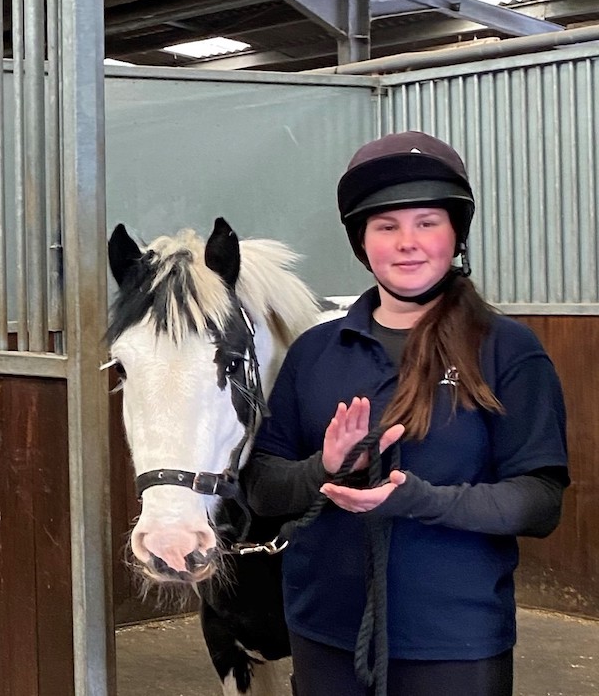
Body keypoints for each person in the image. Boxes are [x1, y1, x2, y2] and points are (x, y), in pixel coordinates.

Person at [242, 131, 569, 696]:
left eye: (426, 222)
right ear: (362, 243)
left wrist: (417, 499)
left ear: (455, 235)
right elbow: (263, 489)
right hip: (324, 633)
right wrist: (322, 465)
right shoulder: (316, 351)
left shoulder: (506, 350)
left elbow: (539, 500)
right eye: (386, 226)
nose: (407, 243)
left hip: (454, 641)